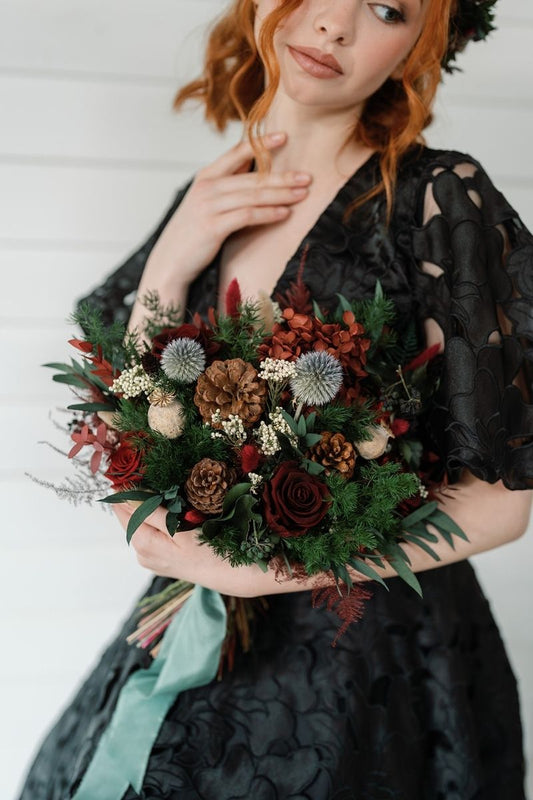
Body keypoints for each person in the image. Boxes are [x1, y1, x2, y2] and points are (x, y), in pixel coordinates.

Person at [17, 0, 533, 797]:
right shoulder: (211, 195)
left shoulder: (436, 195)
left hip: (370, 666)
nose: (334, 25)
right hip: (187, 621)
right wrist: (172, 261)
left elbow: (502, 505)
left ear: (421, 47)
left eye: (387, 8)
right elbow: (125, 405)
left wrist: (267, 572)